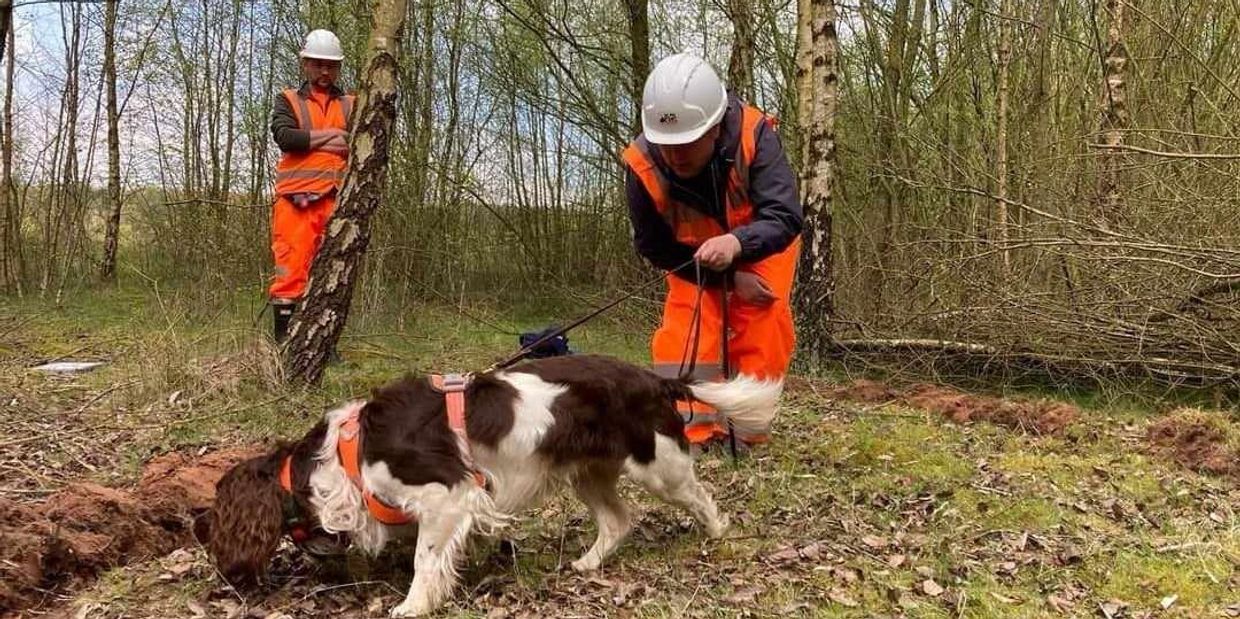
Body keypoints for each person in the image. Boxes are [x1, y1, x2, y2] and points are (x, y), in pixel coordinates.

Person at [621, 52, 803, 453]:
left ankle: (747, 433)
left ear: (715, 128)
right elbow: (653, 246)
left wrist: (738, 244)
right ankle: (689, 433)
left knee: (763, 319)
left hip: (763, 245)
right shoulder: (641, 167)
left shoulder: (756, 137)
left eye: (686, 143)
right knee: (688, 327)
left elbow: (785, 216)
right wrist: (727, 279)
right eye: (666, 145)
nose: (675, 155)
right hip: (692, 259)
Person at [267, 29, 353, 343]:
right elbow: (286, 138)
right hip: (295, 204)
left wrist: (313, 141)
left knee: (331, 276)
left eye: (331, 65)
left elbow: (356, 145)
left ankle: (322, 347)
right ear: (306, 63)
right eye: (318, 64)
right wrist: (332, 136)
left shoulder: (351, 103)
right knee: (289, 276)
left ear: (339, 67)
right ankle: (283, 347)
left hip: (336, 202)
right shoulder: (288, 99)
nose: (325, 71)